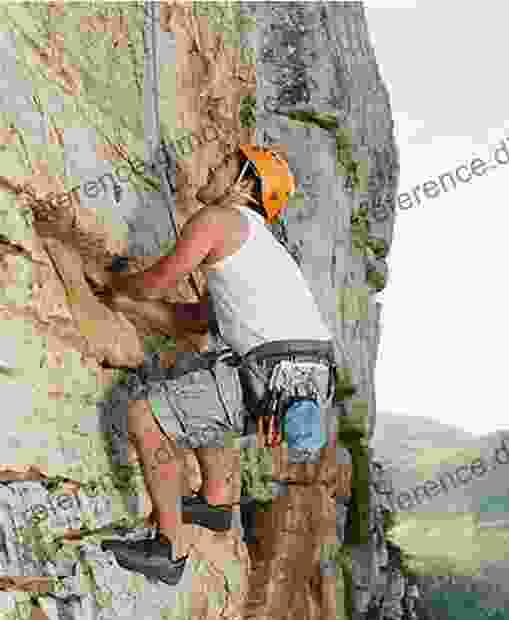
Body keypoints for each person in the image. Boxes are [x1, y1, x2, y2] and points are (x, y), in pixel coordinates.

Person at [98, 145, 336, 586]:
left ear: (244, 184)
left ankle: (168, 548)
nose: (211, 163)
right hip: (304, 377)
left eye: (226, 161)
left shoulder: (217, 221)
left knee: (144, 416)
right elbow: (189, 321)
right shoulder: (262, 251)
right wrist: (125, 303)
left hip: (272, 373)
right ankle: (214, 502)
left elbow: (159, 281)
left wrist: (118, 284)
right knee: (202, 367)